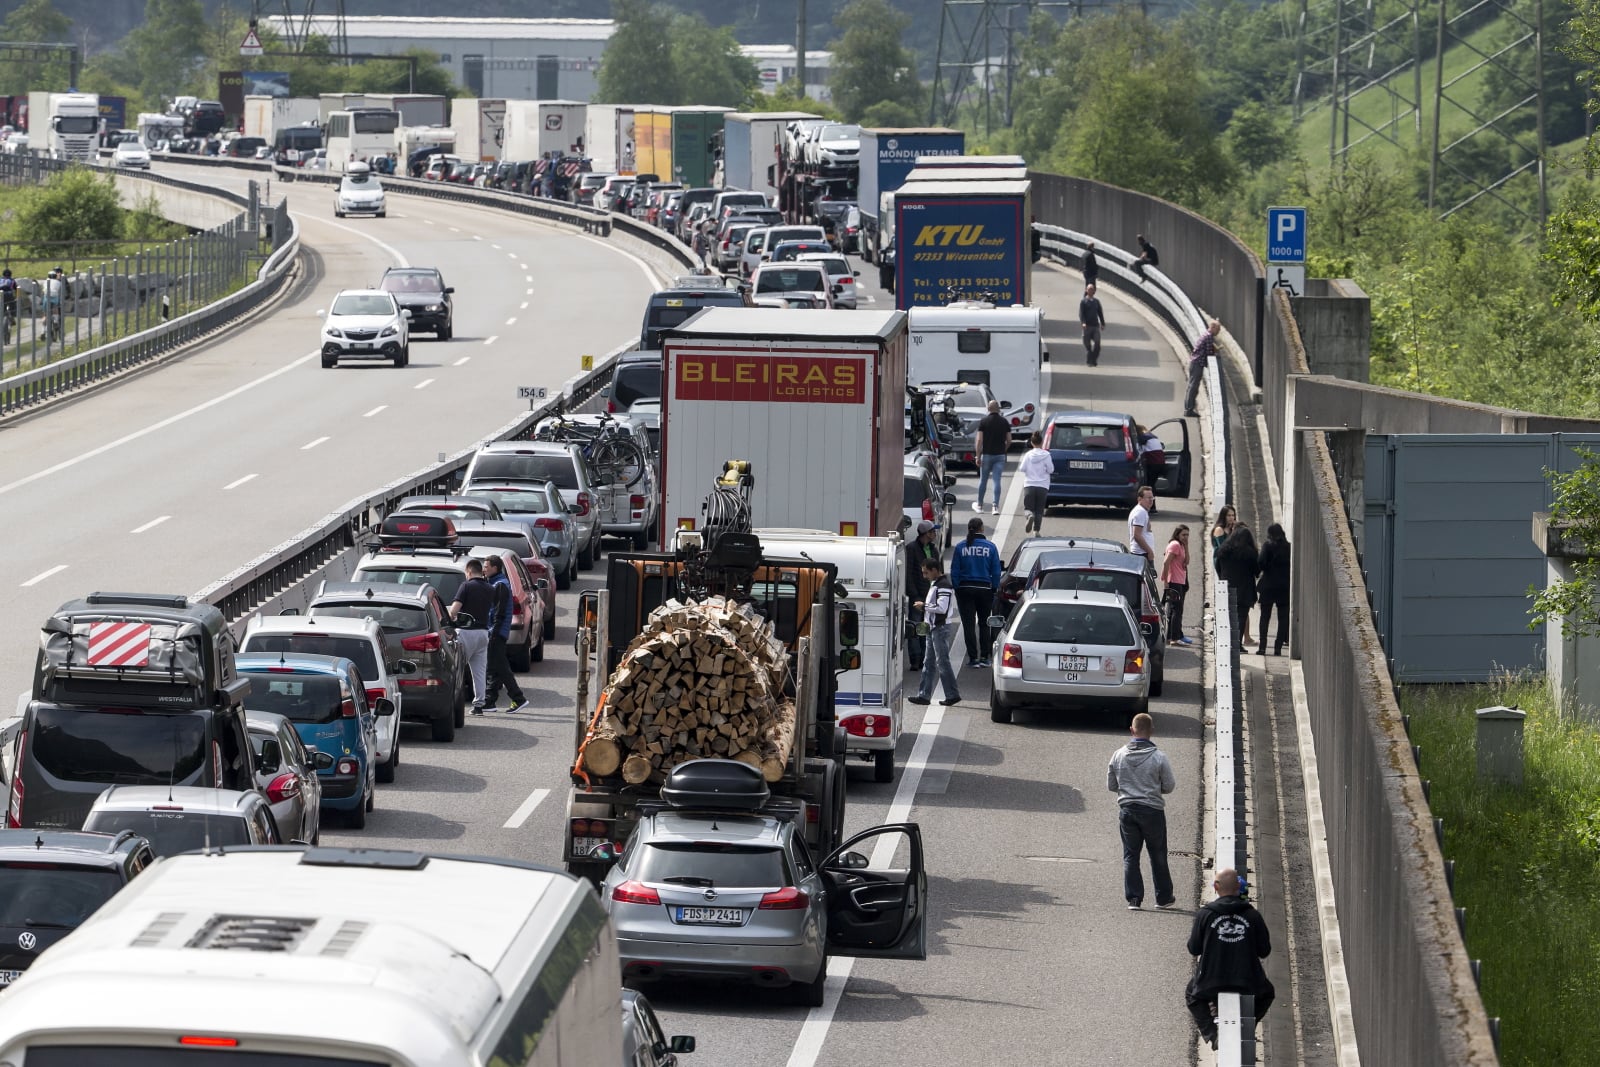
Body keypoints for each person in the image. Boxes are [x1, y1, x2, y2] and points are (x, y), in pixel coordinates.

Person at [1186, 868, 1275, 1049]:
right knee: (1267, 993)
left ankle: (1213, 1034)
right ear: (1238, 887)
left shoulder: (1205, 914)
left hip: (1210, 982)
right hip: (1248, 981)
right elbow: (1264, 950)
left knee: (1192, 995)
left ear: (1216, 887)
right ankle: (1247, 1028)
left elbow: (1193, 948)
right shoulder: (1252, 915)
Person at [1107, 712, 1177, 909]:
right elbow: (1169, 786)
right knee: (1158, 854)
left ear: (1131, 730)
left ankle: (1134, 898)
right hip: (1153, 811)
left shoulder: (1118, 755)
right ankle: (1163, 898)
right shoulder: (1158, 757)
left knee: (1131, 854)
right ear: (1152, 732)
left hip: (1127, 810)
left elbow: (1111, 785)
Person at [950, 516, 1001, 668]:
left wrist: (957, 587)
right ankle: (985, 657)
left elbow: (954, 570)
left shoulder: (960, 547)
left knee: (969, 625)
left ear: (969, 529)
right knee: (985, 624)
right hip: (985, 589)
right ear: (982, 529)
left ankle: (973, 658)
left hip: (965, 589)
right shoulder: (990, 547)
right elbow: (996, 571)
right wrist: (994, 588)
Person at [909, 558, 961, 707]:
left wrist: (924, 606)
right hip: (934, 627)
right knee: (929, 662)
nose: (924, 576)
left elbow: (942, 608)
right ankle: (924, 695)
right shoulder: (938, 584)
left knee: (941, 662)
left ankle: (951, 694)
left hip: (940, 628)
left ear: (934, 570)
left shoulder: (943, 586)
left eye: (926, 573)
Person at [482, 555, 529, 713]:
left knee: (500, 667)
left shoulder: (500, 585)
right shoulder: (495, 583)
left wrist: (494, 632)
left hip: (497, 632)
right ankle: (490, 701)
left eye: (486, 567)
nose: (484, 569)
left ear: (495, 568)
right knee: (493, 667)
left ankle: (518, 698)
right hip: (496, 632)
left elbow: (499, 613)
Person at [448, 559, 494, 713]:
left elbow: (454, 610)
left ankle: (453, 703)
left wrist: (451, 618)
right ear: (481, 571)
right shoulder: (489, 588)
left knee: (458, 668)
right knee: (479, 671)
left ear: (468, 572)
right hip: (483, 633)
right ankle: (479, 705)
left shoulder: (466, 586)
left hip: (466, 632)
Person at [904, 519, 941, 670]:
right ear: (926, 533)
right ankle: (915, 659)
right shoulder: (912, 548)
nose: (935, 534)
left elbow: (938, 573)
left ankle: (925, 658)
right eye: (933, 531)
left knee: (927, 627)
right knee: (915, 626)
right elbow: (908, 574)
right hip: (917, 596)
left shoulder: (933, 549)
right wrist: (914, 595)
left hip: (930, 594)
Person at [1216, 524, 1260, 650]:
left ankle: (1227, 644)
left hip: (1227, 588)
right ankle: (1237, 645)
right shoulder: (1250, 553)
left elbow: (1218, 567)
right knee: (1241, 617)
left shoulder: (1223, 550)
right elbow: (1256, 571)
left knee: (1228, 616)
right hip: (1245, 589)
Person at [1257, 522, 1291, 655]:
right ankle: (1278, 648)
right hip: (1284, 587)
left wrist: (1266, 569)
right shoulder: (1288, 547)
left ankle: (1262, 647)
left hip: (1268, 585)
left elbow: (1260, 562)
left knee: (1265, 617)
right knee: (1283, 619)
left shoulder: (1268, 546)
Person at [974, 399, 1010, 515]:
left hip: (987, 455)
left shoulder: (983, 422)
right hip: (999, 455)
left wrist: (978, 456)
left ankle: (979, 505)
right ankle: (995, 506)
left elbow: (979, 440)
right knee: (996, 480)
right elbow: (1009, 440)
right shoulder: (1004, 422)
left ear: (988, 409)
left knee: (983, 480)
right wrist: (1004, 449)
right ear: (998, 408)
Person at [1018, 431, 1055, 534]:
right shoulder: (1047, 455)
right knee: (1039, 510)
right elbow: (1051, 470)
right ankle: (1036, 531)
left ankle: (1029, 516)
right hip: (1043, 486)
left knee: (1028, 508)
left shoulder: (1028, 455)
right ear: (1042, 442)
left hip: (1029, 484)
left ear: (1032, 443)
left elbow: (1022, 468)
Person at [1161, 525, 1193, 646]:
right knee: (1176, 610)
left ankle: (1173, 636)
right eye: (1183, 535)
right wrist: (1165, 581)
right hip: (1174, 581)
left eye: (1187, 535)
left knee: (1175, 610)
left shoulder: (1181, 546)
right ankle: (1174, 638)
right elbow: (1166, 562)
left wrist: (1187, 545)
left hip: (1181, 580)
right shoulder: (1175, 545)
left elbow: (1187, 562)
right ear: (1177, 534)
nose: (1186, 537)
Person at [1185, 319, 1221, 417]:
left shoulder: (1206, 334)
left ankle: (1188, 408)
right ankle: (1189, 409)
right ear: (1212, 327)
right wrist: (1216, 353)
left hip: (1194, 362)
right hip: (1197, 363)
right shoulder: (1209, 337)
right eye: (1218, 329)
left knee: (1191, 386)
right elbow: (1209, 352)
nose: (1218, 332)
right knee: (1193, 387)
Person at [1127, 485, 1156, 574]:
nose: (1151, 500)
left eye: (1152, 497)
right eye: (1148, 498)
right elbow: (1137, 535)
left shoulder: (1142, 511)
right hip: (1141, 554)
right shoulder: (1140, 512)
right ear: (1140, 499)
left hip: (1142, 553)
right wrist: (1149, 551)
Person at [1079, 283, 1106, 367]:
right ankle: (1089, 361)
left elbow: (1100, 313)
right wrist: (1083, 322)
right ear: (1086, 290)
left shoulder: (1096, 302)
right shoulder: (1083, 302)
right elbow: (1081, 314)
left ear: (1094, 291)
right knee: (1088, 346)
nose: (1090, 291)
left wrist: (1102, 323)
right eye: (1089, 289)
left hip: (1095, 326)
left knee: (1097, 344)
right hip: (1087, 326)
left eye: (1092, 289)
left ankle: (1093, 359)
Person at [1211, 505, 1237, 569]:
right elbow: (1223, 548)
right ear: (1223, 516)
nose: (1231, 518)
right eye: (1229, 515)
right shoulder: (1219, 529)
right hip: (1221, 562)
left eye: (1233, 515)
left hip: (1231, 559)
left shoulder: (1232, 528)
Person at [43, 268, 64, 341]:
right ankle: (55, 321)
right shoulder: (59, 282)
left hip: (47, 298)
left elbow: (43, 291)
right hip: (55, 298)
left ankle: (44, 330)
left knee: (45, 314)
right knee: (55, 309)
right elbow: (60, 292)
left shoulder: (45, 282)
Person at [0, 267, 16, 344]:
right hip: (9, 296)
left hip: (1, 296)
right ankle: (12, 317)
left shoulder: (0, 280)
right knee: (13, 307)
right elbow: (16, 289)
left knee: (2, 310)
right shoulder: (12, 280)